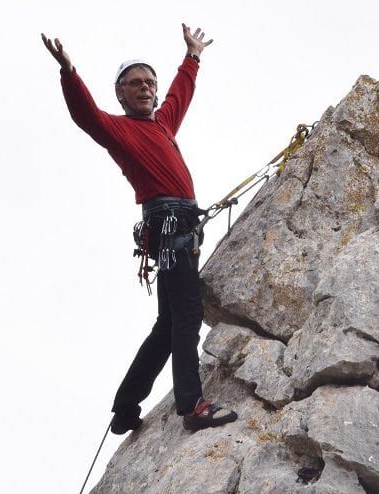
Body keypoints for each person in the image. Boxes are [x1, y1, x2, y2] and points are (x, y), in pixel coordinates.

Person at [41, 24, 237, 433]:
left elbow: (179, 94)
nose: (145, 88)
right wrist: (69, 72)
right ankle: (192, 407)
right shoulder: (118, 129)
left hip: (175, 223)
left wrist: (193, 56)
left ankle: (126, 407)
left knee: (168, 323)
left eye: (150, 82)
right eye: (135, 83)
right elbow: (84, 115)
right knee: (186, 314)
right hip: (169, 224)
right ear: (121, 94)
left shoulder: (163, 123)